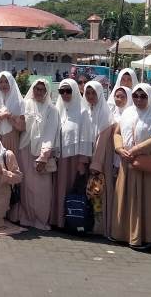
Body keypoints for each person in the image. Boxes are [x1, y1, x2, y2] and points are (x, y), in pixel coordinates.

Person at [112, 83, 151, 249]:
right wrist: (120, 148)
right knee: (125, 199)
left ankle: (146, 237)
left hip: (146, 164)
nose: (138, 99)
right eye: (136, 96)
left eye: (143, 96)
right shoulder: (128, 113)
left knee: (147, 201)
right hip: (127, 162)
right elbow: (117, 133)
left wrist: (135, 150)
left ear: (150, 97)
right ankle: (122, 234)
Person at [12, 78, 59, 230]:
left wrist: (44, 155)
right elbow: (19, 128)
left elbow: (50, 133)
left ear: (47, 92)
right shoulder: (25, 105)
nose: (38, 92)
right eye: (36, 89)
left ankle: (40, 219)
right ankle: (26, 217)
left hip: (40, 153)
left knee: (42, 189)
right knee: (26, 186)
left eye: (42, 89)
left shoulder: (52, 110)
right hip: (25, 149)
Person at [52, 78, 94, 228]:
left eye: (68, 91)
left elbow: (85, 137)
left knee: (71, 189)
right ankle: (58, 220)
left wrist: (82, 162)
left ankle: (70, 221)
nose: (65, 94)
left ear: (75, 91)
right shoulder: (59, 109)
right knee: (59, 188)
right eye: (61, 91)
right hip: (60, 158)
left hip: (74, 159)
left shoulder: (83, 112)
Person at [84, 81, 116, 237]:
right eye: (87, 93)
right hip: (90, 156)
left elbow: (102, 140)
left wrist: (96, 164)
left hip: (101, 159)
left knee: (100, 191)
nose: (90, 96)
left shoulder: (104, 112)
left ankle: (101, 227)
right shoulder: (88, 110)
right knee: (92, 192)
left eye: (93, 93)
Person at [0, 71, 25, 151]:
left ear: (11, 82)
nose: (4, 84)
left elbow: (22, 126)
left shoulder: (19, 102)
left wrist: (8, 115)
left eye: (6, 81)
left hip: (11, 138)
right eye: (1, 82)